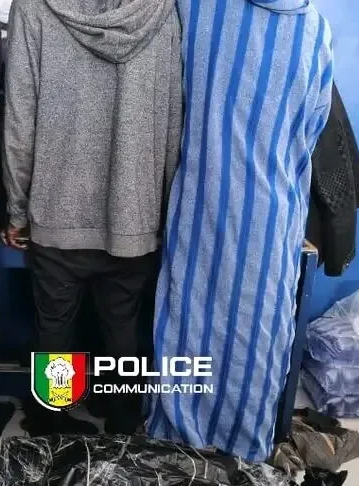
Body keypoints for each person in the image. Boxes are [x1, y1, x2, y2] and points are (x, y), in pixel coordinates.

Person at [147, 0, 334, 461]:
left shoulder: (196, 9)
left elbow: (164, 99)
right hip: (274, 221)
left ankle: (177, 441)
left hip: (203, 206)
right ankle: (245, 446)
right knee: (257, 335)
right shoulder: (315, 30)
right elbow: (313, 128)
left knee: (189, 322)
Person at [3, 0, 182, 436]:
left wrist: (17, 208)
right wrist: (162, 207)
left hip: (55, 208)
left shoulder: (33, 8)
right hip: (135, 213)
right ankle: (124, 422)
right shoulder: (161, 11)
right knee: (123, 325)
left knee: (54, 327)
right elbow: (172, 123)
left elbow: (19, 118)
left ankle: (50, 423)